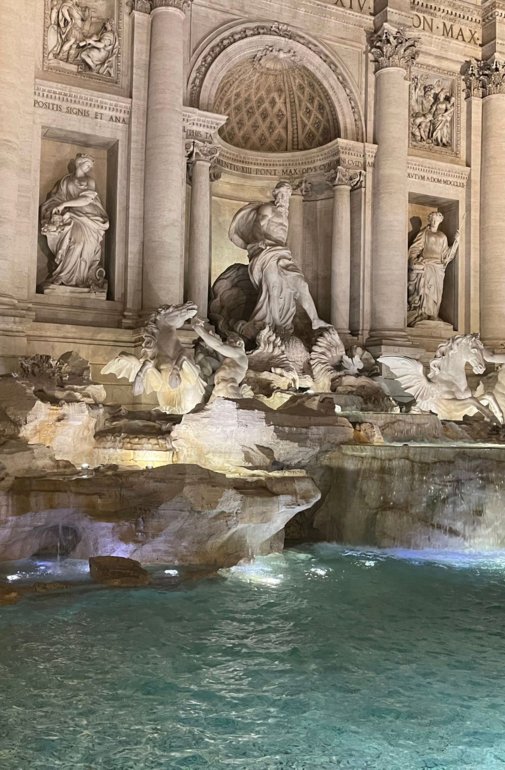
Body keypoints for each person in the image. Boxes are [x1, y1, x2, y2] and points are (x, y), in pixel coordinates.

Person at [229, 181, 329, 336]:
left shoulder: (285, 215)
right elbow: (257, 226)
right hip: (267, 252)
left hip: (282, 253)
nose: (283, 198)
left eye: (286, 195)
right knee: (273, 287)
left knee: (301, 285)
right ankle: (276, 324)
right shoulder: (267, 208)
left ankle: (315, 319)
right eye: (281, 194)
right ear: (275, 195)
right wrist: (259, 240)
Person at [41, 153, 109, 289]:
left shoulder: (89, 180)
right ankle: (63, 275)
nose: (89, 168)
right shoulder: (66, 181)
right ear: (79, 163)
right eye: (87, 165)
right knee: (77, 243)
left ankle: (82, 279)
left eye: (91, 166)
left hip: (89, 216)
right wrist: (57, 208)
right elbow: (56, 198)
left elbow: (87, 199)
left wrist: (64, 204)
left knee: (87, 247)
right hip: (73, 216)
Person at [407, 211, 459, 326]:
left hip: (438, 268)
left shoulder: (442, 236)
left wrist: (456, 242)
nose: (435, 222)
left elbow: (446, 256)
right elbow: (415, 249)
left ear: (440, 222)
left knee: (436, 294)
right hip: (426, 266)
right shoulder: (424, 233)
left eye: (437, 220)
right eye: (433, 220)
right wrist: (413, 261)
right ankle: (423, 314)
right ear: (429, 220)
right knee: (425, 291)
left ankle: (433, 314)